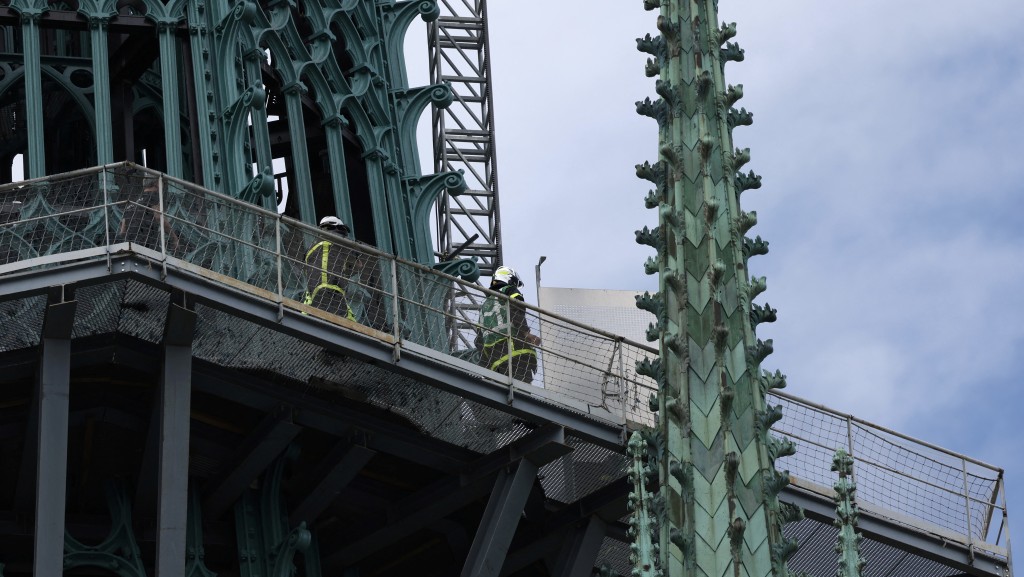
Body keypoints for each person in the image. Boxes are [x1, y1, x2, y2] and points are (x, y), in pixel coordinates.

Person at [479, 266, 541, 383]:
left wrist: (486, 366)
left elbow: (479, 339)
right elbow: (516, 309)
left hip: (495, 360)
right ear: (509, 279)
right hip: (516, 352)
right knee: (522, 393)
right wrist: (526, 333)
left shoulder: (484, 306)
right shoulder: (510, 290)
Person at [304, 216, 357, 322]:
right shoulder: (335, 241)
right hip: (332, 289)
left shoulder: (312, 248)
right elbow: (356, 266)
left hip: (313, 293)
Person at [119, 178, 179, 251]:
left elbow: (123, 230)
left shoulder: (132, 204)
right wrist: (174, 237)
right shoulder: (154, 197)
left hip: (131, 245)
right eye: (162, 183)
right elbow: (159, 218)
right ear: (156, 183)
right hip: (148, 243)